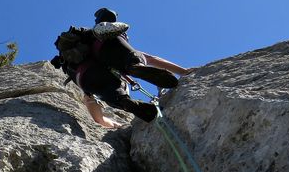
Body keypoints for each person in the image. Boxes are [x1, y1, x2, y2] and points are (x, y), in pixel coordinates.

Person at [55, 8, 192, 128]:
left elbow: (90, 100)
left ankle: (123, 100)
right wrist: (184, 72)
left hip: (84, 75)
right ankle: (134, 65)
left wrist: (103, 121)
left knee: (109, 90)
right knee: (128, 59)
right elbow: (151, 59)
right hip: (108, 46)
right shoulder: (98, 39)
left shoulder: (78, 58)